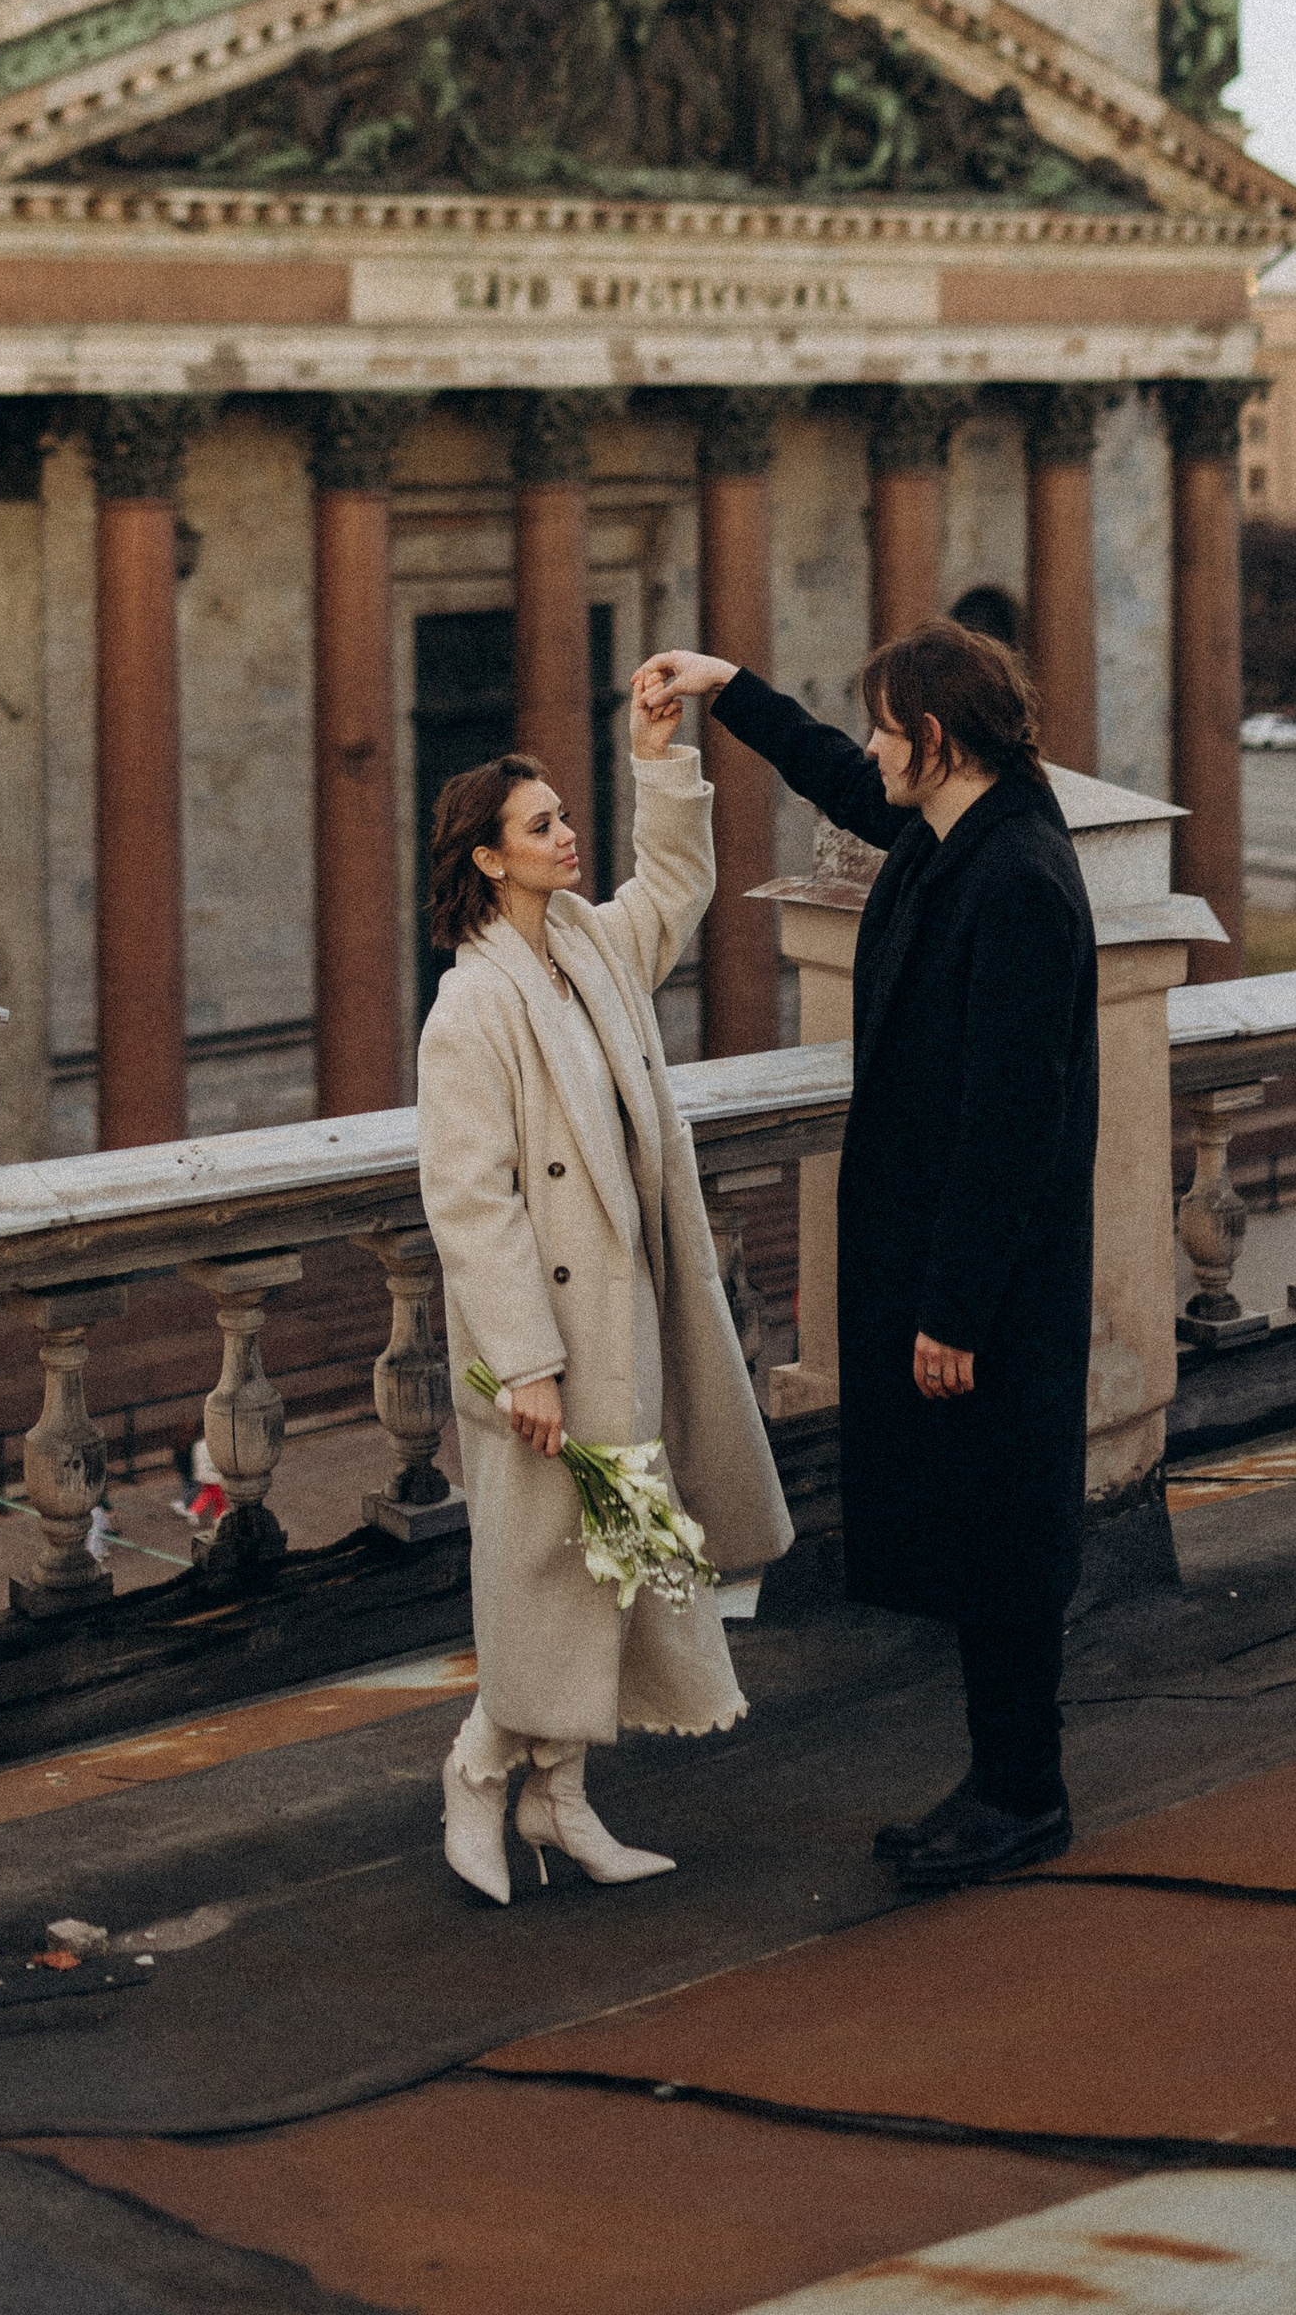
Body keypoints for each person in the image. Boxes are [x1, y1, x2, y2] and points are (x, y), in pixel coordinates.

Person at [639, 621, 1097, 1889]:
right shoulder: (966, 828)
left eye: (893, 728)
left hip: (986, 1286)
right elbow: (842, 778)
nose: (880, 748)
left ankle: (1022, 1794)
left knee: (1002, 1540)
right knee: (978, 1527)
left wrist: (954, 1311)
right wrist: (730, 695)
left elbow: (1013, 1122)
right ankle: (1004, 1781)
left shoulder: (1015, 882)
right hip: (956, 1268)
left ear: (937, 742)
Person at [416, 671, 792, 1906]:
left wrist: (655, 758)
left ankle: (561, 1800)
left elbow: (675, 886)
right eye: (541, 826)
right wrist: (525, 1361)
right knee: (544, 1574)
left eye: (568, 817)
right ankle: (480, 1775)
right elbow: (471, 1203)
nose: (565, 836)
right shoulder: (470, 1007)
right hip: (546, 1355)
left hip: (624, 1330)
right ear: (486, 858)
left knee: (617, 1568)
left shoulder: (587, 947)